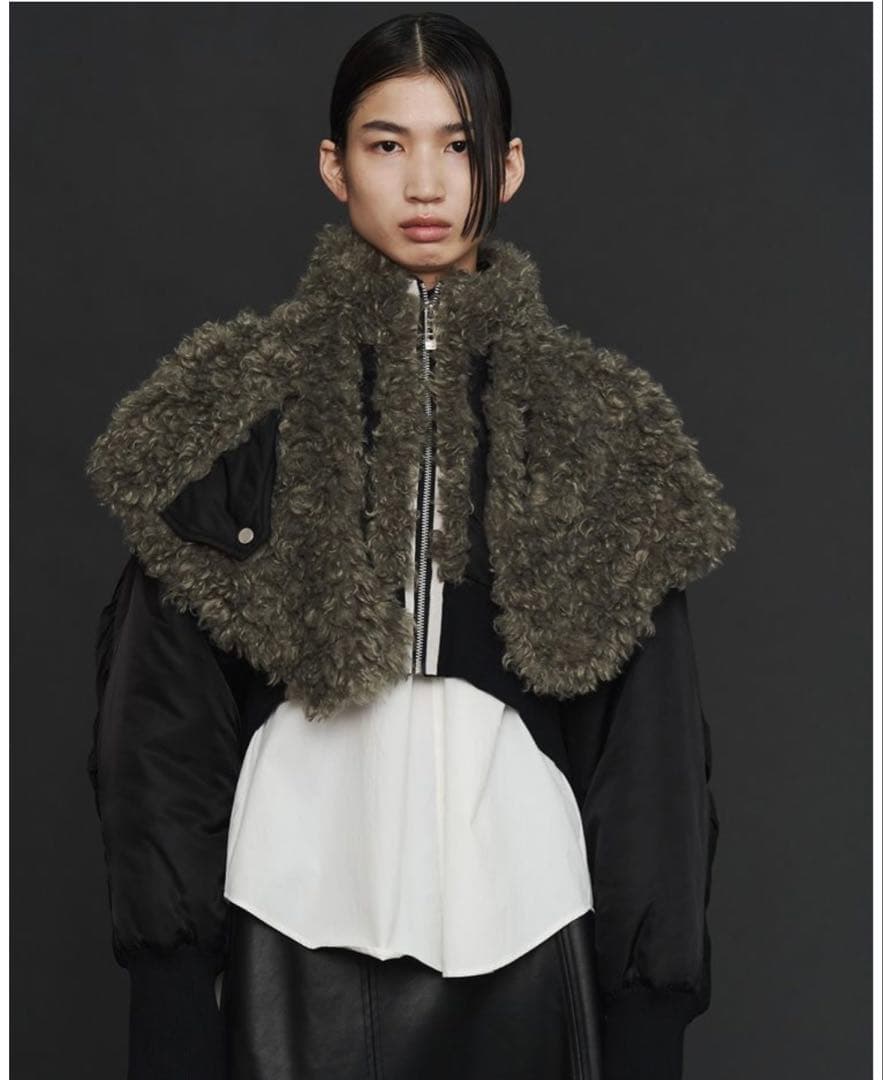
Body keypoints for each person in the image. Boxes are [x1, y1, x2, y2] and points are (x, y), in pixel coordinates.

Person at [85, 12, 739, 1080]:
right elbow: (161, 721)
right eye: (387, 144)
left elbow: (650, 757)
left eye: (459, 145)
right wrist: (168, 995)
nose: (425, 183)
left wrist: (647, 1019)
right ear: (334, 165)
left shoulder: (595, 430)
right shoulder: (229, 409)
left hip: (530, 920)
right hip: (288, 911)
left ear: (507, 167)